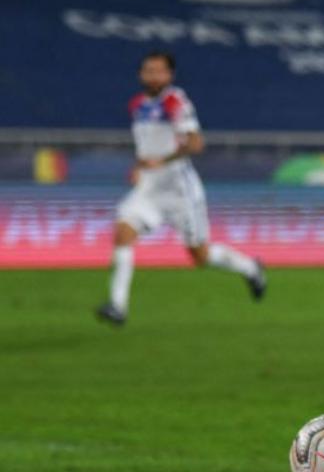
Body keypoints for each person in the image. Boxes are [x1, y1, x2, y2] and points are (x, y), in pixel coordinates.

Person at [95, 50, 266, 326]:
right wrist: (139, 166)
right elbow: (148, 146)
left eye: (159, 71)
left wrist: (162, 161)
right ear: (141, 74)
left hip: (180, 190)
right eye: (148, 71)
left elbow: (195, 143)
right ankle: (117, 306)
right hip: (150, 188)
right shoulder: (137, 105)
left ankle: (250, 268)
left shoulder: (175, 101)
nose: (153, 76)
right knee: (123, 232)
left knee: (200, 255)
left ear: (169, 75)